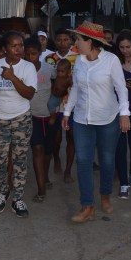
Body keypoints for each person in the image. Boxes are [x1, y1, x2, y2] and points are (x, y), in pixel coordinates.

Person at [62, 21, 130, 222]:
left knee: (107, 160)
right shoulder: (80, 61)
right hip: (82, 119)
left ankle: (105, 195)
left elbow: (121, 88)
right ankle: (87, 206)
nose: (76, 42)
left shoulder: (111, 60)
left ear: (89, 41)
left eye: (78, 39)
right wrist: (67, 113)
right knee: (83, 161)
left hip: (108, 119)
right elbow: (76, 88)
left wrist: (124, 113)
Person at [0, 31, 37, 218]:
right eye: (14, 46)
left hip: (22, 119)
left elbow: (29, 94)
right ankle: (3, 192)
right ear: (5, 49)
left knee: (20, 160)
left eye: (21, 45)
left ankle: (18, 198)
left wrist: (12, 77)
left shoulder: (28, 68)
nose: (19, 49)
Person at [24, 38, 57, 202]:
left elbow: (60, 89)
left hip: (50, 116)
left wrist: (55, 112)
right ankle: (41, 189)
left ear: (40, 53)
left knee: (48, 152)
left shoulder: (49, 69)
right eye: (27, 54)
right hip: (31, 117)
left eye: (34, 53)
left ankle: (45, 176)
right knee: (37, 149)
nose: (31, 57)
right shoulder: (20, 71)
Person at [45, 29, 78, 182]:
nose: (62, 43)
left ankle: (68, 170)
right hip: (57, 105)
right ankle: (56, 157)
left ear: (71, 41)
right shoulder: (49, 58)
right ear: (55, 41)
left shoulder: (78, 57)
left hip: (74, 104)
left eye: (66, 40)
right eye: (59, 40)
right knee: (56, 139)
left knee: (72, 137)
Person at [114, 29, 131, 198]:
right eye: (122, 47)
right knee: (120, 148)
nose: (125, 50)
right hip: (118, 111)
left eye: (128, 46)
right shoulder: (114, 63)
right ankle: (123, 183)